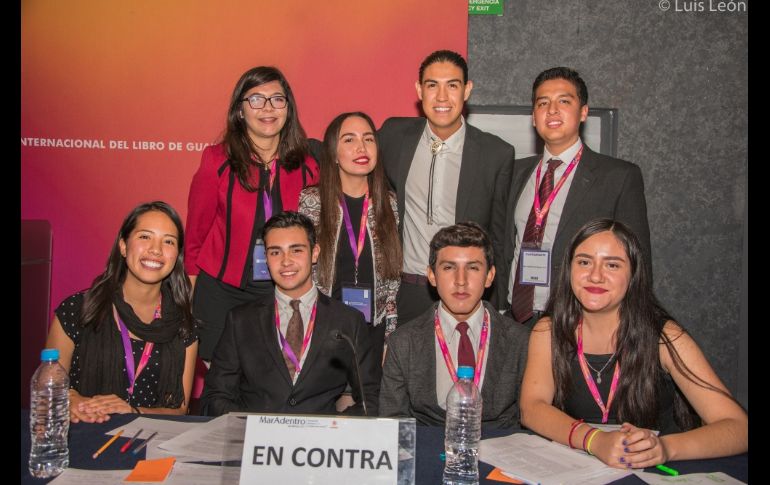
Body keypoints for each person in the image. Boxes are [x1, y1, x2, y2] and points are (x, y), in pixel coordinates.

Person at [519, 219, 748, 468]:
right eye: (584, 262)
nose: (595, 276)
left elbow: (738, 427)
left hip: (653, 471)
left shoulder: (665, 337)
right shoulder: (549, 330)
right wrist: (595, 440)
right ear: (569, 270)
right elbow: (532, 408)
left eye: (612, 265)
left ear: (634, 275)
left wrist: (664, 449)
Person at [493, 67, 651, 328]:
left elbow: (638, 262)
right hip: (514, 322)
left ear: (584, 112)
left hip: (578, 324)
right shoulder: (514, 172)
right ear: (534, 117)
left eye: (564, 101)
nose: (552, 110)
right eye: (543, 103)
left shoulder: (618, 177)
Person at [185, 66, 320, 361]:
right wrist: (188, 300)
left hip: (284, 293)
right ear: (240, 111)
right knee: (221, 386)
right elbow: (195, 237)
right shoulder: (216, 161)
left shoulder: (308, 166)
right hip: (222, 292)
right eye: (256, 99)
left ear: (288, 108)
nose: (268, 108)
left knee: (275, 382)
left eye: (277, 99)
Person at [379, 49, 515, 324]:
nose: (442, 97)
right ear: (419, 90)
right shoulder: (393, 136)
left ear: (467, 90)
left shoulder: (495, 154)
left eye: (452, 85)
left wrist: (498, 305)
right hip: (407, 290)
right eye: (432, 85)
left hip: (465, 293)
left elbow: (499, 238)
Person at [200, 211, 380, 416]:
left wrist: (332, 431)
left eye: (296, 250)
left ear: (314, 253)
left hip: (318, 443)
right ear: (266, 258)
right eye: (275, 252)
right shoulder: (240, 320)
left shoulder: (348, 321)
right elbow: (215, 396)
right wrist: (251, 429)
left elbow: (371, 398)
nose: (286, 261)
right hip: (256, 442)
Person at [45, 201, 198, 423]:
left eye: (168, 241)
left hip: (150, 444)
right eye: (145, 237)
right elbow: (49, 388)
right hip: (83, 435)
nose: (156, 249)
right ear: (124, 246)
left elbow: (178, 410)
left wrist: (133, 411)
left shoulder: (184, 325)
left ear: (176, 256)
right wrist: (71, 398)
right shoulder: (78, 310)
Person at [379, 222, 529, 428]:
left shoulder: (520, 340)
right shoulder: (403, 342)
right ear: (432, 276)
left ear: (490, 276)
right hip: (427, 453)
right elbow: (392, 424)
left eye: (473, 268)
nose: (461, 280)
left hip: (500, 454)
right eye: (449, 267)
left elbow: (528, 422)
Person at [299, 111, 402, 362]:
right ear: (333, 153)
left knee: (365, 400)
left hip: (372, 332)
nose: (361, 147)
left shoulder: (388, 203)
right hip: (322, 329)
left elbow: (392, 280)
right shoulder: (312, 201)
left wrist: (390, 335)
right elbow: (302, 272)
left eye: (368, 139)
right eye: (349, 140)